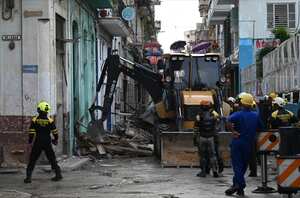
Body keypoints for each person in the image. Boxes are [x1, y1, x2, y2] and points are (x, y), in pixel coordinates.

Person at [225, 93, 263, 196]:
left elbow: (227, 120)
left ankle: (240, 185)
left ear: (242, 103)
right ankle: (238, 189)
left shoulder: (238, 114)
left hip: (238, 142)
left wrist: (232, 131)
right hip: (249, 143)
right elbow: (261, 129)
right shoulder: (255, 115)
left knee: (237, 165)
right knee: (243, 166)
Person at [24, 101, 62, 183]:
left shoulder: (35, 120)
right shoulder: (50, 120)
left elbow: (31, 132)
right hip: (47, 142)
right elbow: (55, 132)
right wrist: (55, 139)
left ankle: (28, 177)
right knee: (52, 159)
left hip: (38, 142)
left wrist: (30, 141)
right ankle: (58, 174)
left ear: (39, 110)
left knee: (33, 159)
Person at [194, 100, 220, 178]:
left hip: (202, 137)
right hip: (211, 137)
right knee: (212, 155)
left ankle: (203, 171)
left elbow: (196, 128)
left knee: (202, 156)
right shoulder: (214, 115)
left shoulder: (198, 116)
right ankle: (215, 170)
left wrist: (195, 138)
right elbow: (217, 125)